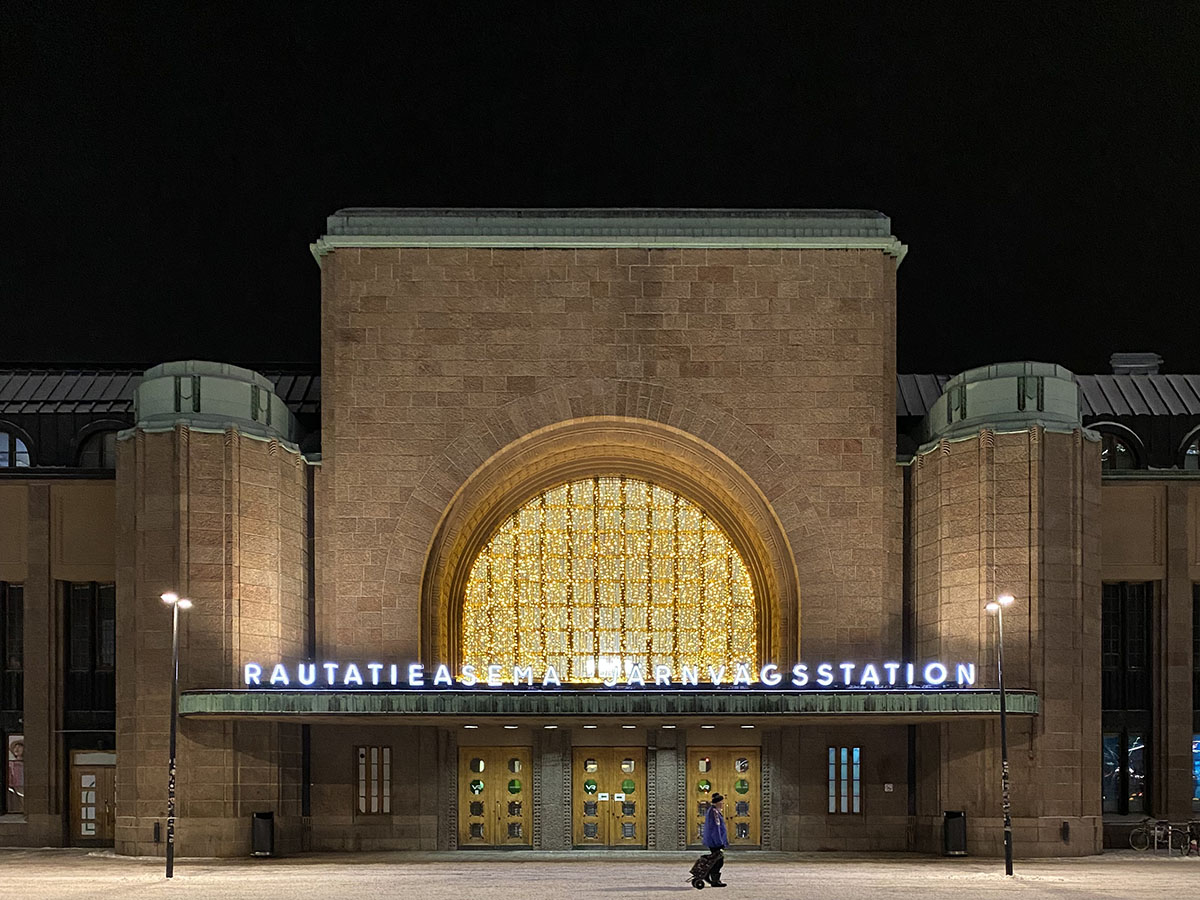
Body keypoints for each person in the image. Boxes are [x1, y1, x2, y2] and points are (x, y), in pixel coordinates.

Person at [701, 792, 729, 887]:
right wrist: (719, 842)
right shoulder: (714, 812)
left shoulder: (714, 811)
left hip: (715, 840)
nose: (723, 804)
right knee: (718, 860)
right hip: (715, 841)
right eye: (721, 802)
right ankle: (712, 879)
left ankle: (713, 878)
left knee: (716, 860)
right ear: (717, 803)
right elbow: (715, 828)